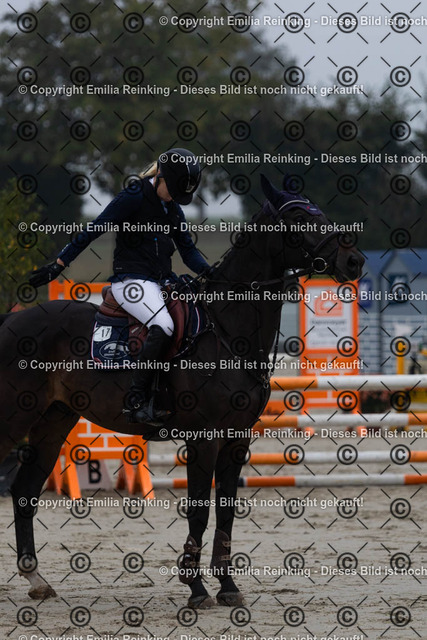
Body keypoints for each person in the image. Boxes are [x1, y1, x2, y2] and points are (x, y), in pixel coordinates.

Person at [29, 148, 211, 424]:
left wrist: (211, 272)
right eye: (173, 191)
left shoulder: (173, 209)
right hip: (131, 282)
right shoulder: (134, 195)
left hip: (161, 282)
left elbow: (188, 252)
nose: (175, 198)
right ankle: (136, 400)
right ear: (161, 177)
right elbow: (95, 228)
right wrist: (59, 263)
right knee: (164, 325)